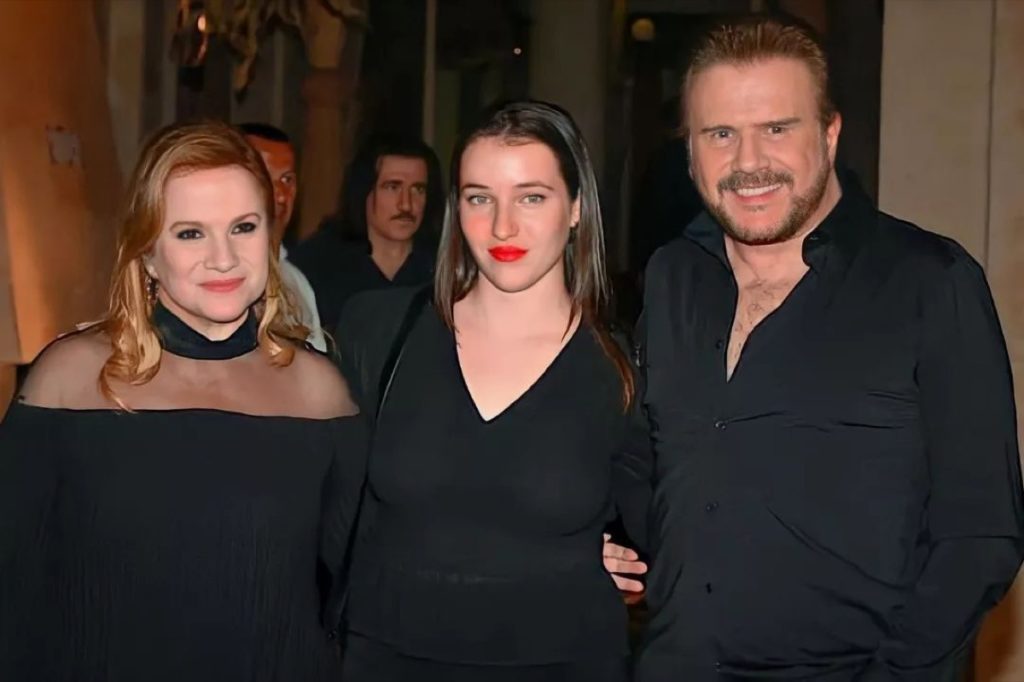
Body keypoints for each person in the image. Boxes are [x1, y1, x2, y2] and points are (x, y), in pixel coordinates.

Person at [625, 16, 1024, 682]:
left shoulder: (930, 281)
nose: (748, 162)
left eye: (777, 129)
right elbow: (644, 465)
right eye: (720, 134)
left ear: (830, 133)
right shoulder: (672, 277)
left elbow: (980, 538)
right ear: (689, 150)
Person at [0, 121, 365, 681]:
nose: (223, 258)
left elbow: (352, 594)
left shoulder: (319, 394)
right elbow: (13, 579)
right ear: (147, 253)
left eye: (243, 227)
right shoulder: (69, 381)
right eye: (191, 233)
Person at [333, 101, 651, 682]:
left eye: (531, 197)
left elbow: (679, 522)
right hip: (387, 656)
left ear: (576, 208)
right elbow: (322, 504)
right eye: (480, 198)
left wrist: (586, 555)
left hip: (562, 659)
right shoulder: (378, 331)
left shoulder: (623, 366)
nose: (503, 227)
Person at [290, 134, 445, 333]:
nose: (406, 204)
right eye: (392, 187)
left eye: (418, 189)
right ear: (364, 191)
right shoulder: (315, 264)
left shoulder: (447, 266)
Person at [239, 121, 327, 351]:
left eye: (287, 180)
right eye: (265, 178)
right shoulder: (215, 275)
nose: (280, 196)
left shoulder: (295, 281)